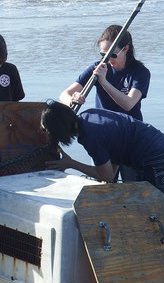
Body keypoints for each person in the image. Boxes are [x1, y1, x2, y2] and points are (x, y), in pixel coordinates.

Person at [60, 25, 151, 182]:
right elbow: (64, 94)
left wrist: (104, 82)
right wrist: (72, 99)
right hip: (103, 138)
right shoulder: (98, 67)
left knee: (132, 189)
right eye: (103, 54)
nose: (107, 60)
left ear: (126, 49)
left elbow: (128, 104)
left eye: (112, 54)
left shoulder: (140, 72)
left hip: (130, 138)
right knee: (103, 187)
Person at [41, 101, 164, 202]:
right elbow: (116, 150)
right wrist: (107, 180)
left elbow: (107, 176)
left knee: (147, 214)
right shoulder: (89, 115)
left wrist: (71, 164)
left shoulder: (90, 136)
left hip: (157, 162)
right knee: (160, 213)